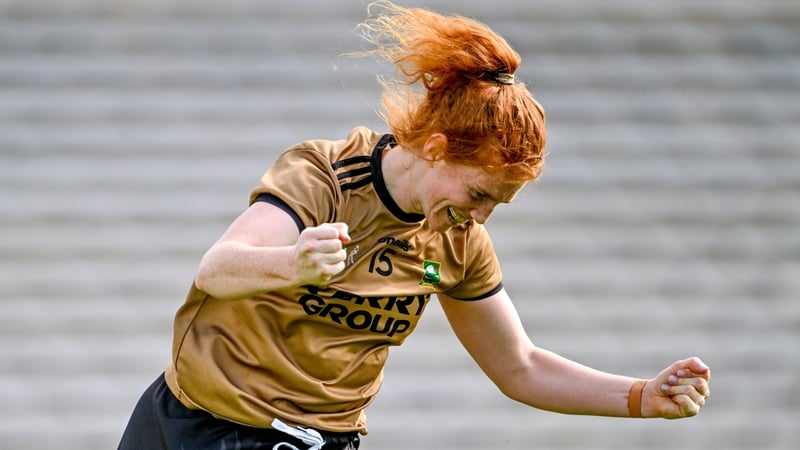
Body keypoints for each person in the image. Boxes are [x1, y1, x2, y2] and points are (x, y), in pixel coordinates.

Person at [118, 2, 710, 449]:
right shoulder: (324, 176)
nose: (481, 217)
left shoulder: (460, 246)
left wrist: (642, 397)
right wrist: (291, 263)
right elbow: (217, 269)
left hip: (297, 439)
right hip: (179, 417)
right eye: (479, 193)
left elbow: (519, 367)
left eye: (498, 205)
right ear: (434, 147)